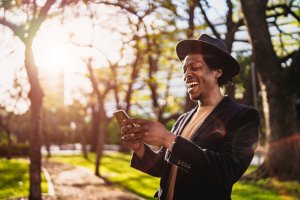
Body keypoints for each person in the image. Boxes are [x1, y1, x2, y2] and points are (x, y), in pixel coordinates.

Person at [121, 34, 260, 200]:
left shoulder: (243, 117)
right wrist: (140, 149)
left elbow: (227, 171)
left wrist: (168, 139)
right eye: (184, 70)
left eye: (194, 68)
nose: (186, 75)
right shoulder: (183, 119)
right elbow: (163, 167)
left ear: (217, 71)